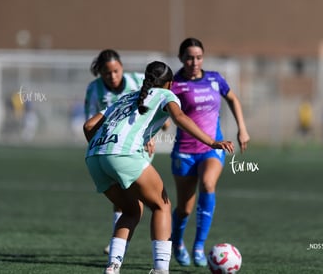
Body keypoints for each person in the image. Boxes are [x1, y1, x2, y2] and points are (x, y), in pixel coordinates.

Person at [83, 61, 234, 274]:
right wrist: (211, 142)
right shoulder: (166, 95)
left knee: (131, 210)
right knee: (162, 205)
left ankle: (113, 267)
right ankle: (161, 269)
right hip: (123, 154)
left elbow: (89, 125)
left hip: (94, 157)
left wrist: (104, 150)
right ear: (169, 83)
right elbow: (180, 118)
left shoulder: (126, 97)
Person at [170, 38, 250, 267]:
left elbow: (233, 99)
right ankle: (177, 243)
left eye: (198, 57)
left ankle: (198, 245)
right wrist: (159, 129)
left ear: (202, 57)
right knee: (184, 208)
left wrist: (242, 129)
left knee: (208, 184)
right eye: (189, 57)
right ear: (181, 59)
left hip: (212, 149)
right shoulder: (174, 83)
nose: (194, 62)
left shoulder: (215, 79)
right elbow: (164, 109)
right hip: (184, 151)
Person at [85, 49, 145, 254]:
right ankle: (118, 244)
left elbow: (160, 98)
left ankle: (119, 245)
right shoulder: (94, 89)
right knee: (126, 196)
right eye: (107, 73)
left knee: (139, 199)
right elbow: (90, 124)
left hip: (139, 144)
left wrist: (156, 132)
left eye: (116, 71)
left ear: (122, 68)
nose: (112, 76)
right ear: (100, 74)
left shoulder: (138, 80)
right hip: (112, 147)